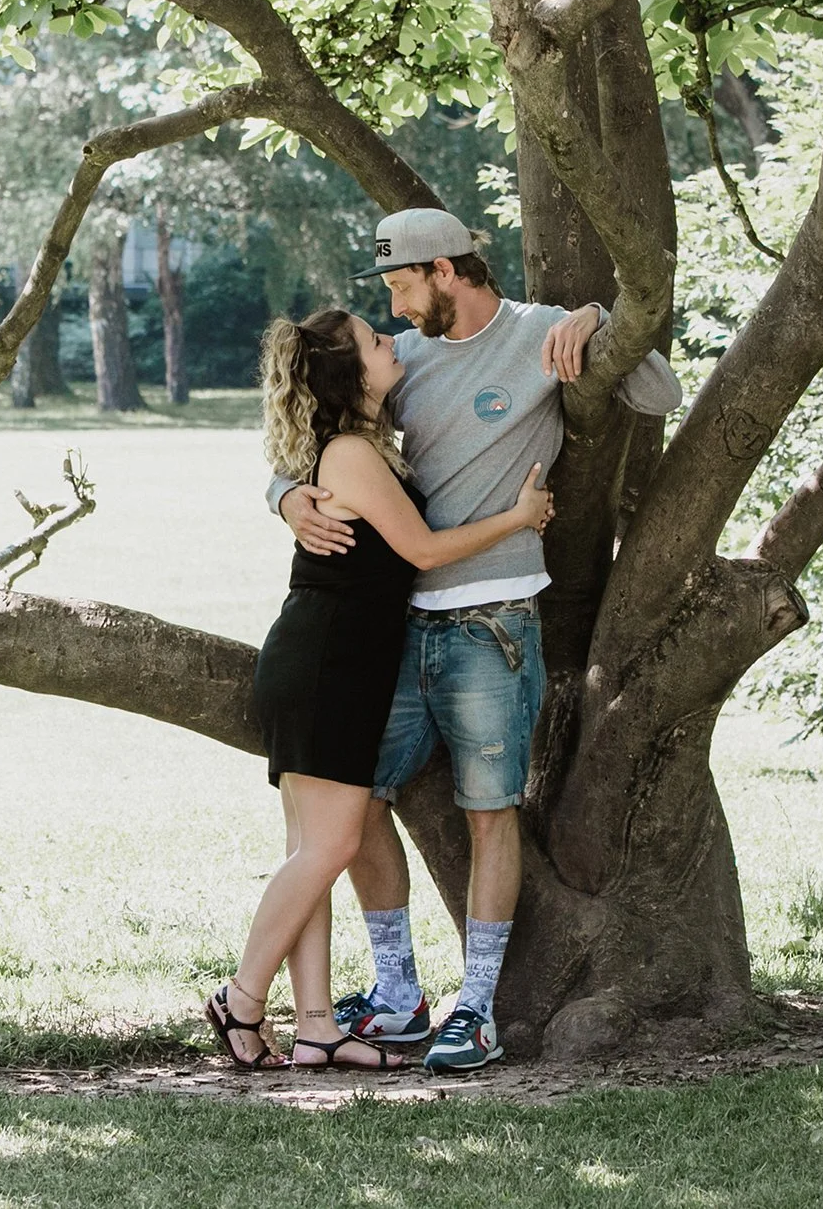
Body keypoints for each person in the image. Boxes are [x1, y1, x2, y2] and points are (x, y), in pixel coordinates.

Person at [268, 207, 683, 1072]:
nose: (391, 308)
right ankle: (397, 995)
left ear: (447, 271)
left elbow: (660, 394)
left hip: (494, 625)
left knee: (490, 813)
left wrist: (597, 321)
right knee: (359, 803)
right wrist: (284, 497)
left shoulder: (541, 335)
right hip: (394, 628)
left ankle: (478, 1009)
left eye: (401, 284)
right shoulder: (404, 360)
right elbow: (309, 431)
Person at [206, 307, 554, 1071]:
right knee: (328, 846)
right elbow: (423, 550)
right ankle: (241, 999)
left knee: (311, 854)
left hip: (339, 663)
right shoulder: (351, 455)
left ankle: (317, 1028)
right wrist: (519, 518)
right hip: (325, 666)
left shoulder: (362, 444)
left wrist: (284, 494)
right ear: (351, 374)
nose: (391, 339)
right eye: (373, 340)